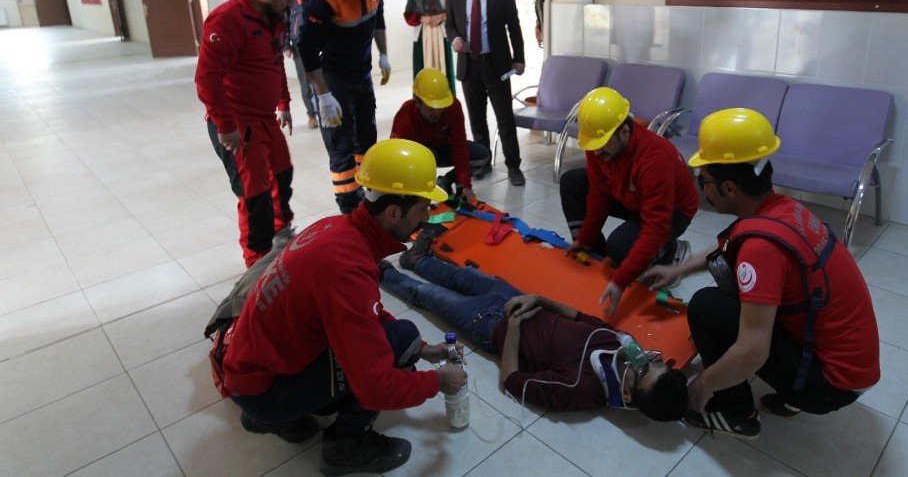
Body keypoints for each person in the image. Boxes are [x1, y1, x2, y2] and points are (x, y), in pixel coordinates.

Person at [219, 139, 467, 475]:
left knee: (403, 339)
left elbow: (367, 312)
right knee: (397, 343)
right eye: (422, 209)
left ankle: (280, 416)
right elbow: (376, 388)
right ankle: (345, 446)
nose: (424, 219)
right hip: (263, 389)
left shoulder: (335, 229)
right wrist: (437, 381)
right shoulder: (346, 269)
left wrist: (423, 349)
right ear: (393, 211)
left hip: (251, 370)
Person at [639, 108, 881, 441]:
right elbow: (726, 247)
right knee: (741, 295)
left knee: (707, 306)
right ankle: (792, 394)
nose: (703, 190)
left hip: (832, 384)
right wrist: (677, 268)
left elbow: (754, 351)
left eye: (703, 181)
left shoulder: (760, 250)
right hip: (852, 369)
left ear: (729, 188)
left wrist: (701, 385)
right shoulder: (782, 209)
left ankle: (737, 412)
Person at [380, 251, 688, 419]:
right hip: (520, 300)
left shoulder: (580, 389)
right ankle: (417, 259)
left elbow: (511, 380)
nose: (639, 359)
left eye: (642, 371)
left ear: (628, 395)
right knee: (460, 275)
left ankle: (385, 274)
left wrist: (513, 329)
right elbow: (579, 316)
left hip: (491, 325)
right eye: (652, 360)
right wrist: (538, 299)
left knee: (429, 295)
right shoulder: (622, 344)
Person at [195, 0, 309, 267]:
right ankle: (257, 262)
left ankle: (280, 233)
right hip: (236, 122)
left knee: (282, 172)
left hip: (264, 117)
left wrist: (284, 102)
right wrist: (226, 127)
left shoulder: (272, 15)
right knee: (254, 193)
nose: (291, 5)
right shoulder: (227, 20)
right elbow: (206, 79)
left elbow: (274, 63)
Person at [561, 87, 699, 316]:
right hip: (631, 196)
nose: (596, 153)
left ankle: (670, 251)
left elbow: (656, 227)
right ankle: (595, 254)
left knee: (619, 247)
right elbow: (599, 194)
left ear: (625, 131)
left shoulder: (655, 159)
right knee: (571, 182)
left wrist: (620, 280)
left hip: (673, 212)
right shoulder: (600, 144)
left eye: (602, 145)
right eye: (593, 146)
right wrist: (584, 239)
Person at [298, 0, 392, 214]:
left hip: (361, 73)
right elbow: (307, 50)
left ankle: (368, 195)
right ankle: (349, 207)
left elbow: (379, 18)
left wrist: (383, 54)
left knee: (366, 139)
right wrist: (323, 96)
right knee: (341, 145)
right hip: (333, 77)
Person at [445, 0, 526, 186]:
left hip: (497, 64)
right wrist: (455, 38)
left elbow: (514, 25)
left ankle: (514, 166)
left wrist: (519, 57)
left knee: (504, 119)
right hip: (470, 66)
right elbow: (450, 25)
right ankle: (482, 163)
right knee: (476, 119)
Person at [390, 68, 490, 200]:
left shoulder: (453, 107)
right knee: (425, 158)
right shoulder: (405, 118)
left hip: (443, 149)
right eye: (431, 108)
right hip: (418, 157)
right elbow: (398, 160)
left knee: (482, 155)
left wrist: (465, 185)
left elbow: (459, 147)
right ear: (418, 102)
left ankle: (446, 180)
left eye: (440, 107)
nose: (436, 113)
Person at [404, 0, 456, 95]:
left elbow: (454, 11)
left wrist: (441, 16)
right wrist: (423, 19)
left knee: (443, 64)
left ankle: (445, 95)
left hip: (442, 34)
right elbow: (409, 14)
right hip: (422, 35)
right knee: (423, 66)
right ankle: (424, 98)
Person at [284, 0, 319, 129]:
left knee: (321, 77)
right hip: (298, 42)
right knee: (306, 82)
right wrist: (286, 44)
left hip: (318, 40)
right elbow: (285, 17)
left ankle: (324, 111)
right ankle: (311, 115)